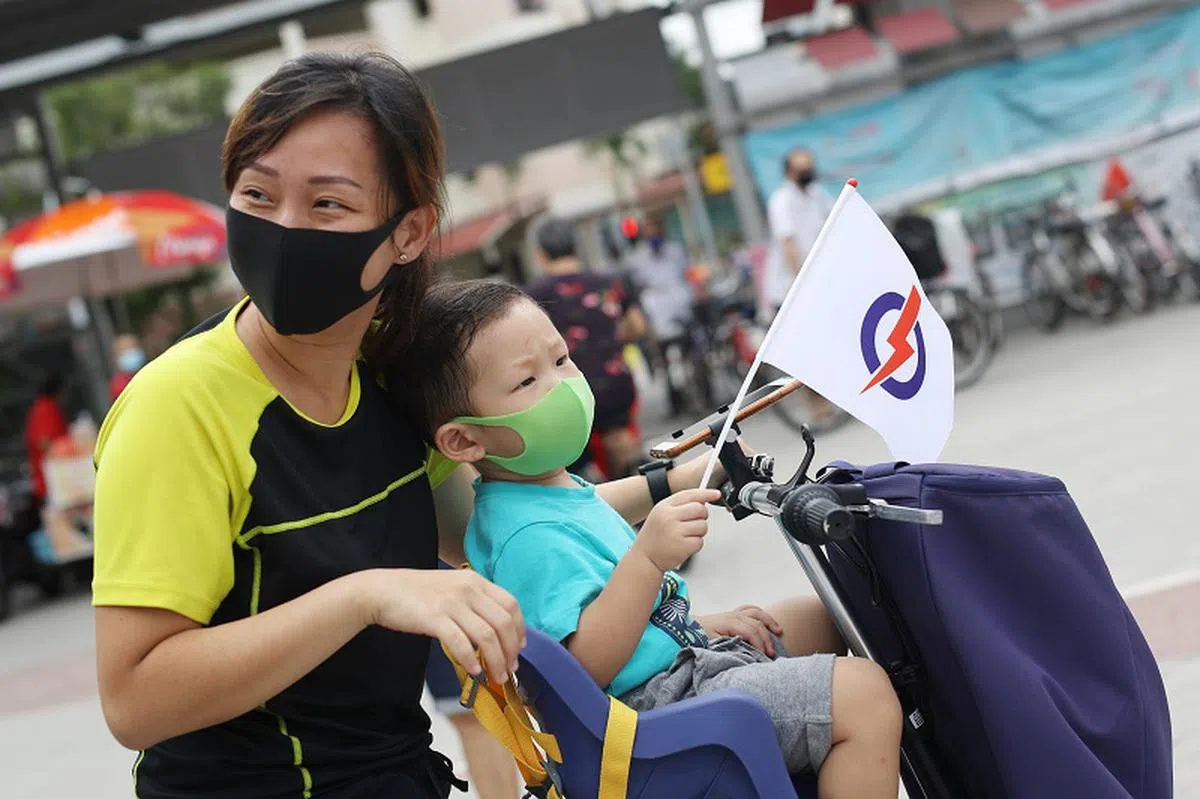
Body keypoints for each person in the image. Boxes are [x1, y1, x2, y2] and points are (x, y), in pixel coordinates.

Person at [90, 53, 526, 799]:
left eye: (328, 204)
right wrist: (364, 595)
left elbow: (490, 533)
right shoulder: (178, 404)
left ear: (409, 232)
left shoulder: (387, 376)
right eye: (257, 193)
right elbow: (133, 698)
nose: (285, 228)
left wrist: (670, 487)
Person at [399, 280, 904, 799]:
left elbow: (608, 615)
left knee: (818, 617)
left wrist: (699, 623)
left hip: (674, 667)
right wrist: (647, 558)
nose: (562, 385)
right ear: (464, 439)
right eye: (527, 381)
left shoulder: (548, 491)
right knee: (863, 696)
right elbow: (583, 667)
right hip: (650, 710)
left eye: (561, 360)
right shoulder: (525, 535)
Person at [526, 217, 647, 478]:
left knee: (579, 471)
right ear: (574, 247)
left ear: (541, 254)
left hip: (569, 390)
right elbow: (638, 325)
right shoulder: (610, 282)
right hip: (615, 382)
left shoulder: (534, 297)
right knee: (625, 463)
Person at [765, 148, 836, 424]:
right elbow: (788, 244)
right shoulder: (781, 201)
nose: (808, 171)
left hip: (819, 284)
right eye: (801, 167)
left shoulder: (817, 195)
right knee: (807, 353)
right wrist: (803, 282)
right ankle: (817, 409)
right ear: (789, 172)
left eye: (810, 165)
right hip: (791, 288)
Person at [622, 215, 695, 416]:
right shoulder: (638, 260)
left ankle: (700, 390)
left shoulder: (676, 252)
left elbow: (687, 277)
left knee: (692, 354)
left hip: (681, 310)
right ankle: (675, 398)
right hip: (656, 316)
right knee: (663, 363)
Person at [24, 373, 70, 510]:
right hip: (52, 479)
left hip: (54, 477)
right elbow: (44, 443)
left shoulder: (43, 407)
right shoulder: (45, 408)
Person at [108, 334, 147, 402]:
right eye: (125, 351)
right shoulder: (118, 385)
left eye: (133, 348)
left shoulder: (149, 372)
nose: (131, 354)